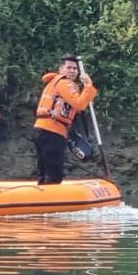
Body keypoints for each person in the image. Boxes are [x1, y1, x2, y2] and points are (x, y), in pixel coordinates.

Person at [33, 56, 97, 185]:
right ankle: (51, 200)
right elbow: (79, 104)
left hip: (42, 129)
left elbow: (76, 108)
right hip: (52, 130)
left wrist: (87, 93)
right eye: (69, 67)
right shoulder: (65, 83)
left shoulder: (54, 82)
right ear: (61, 69)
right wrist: (89, 87)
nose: (72, 71)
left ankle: (43, 195)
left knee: (45, 170)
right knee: (54, 173)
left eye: (75, 68)